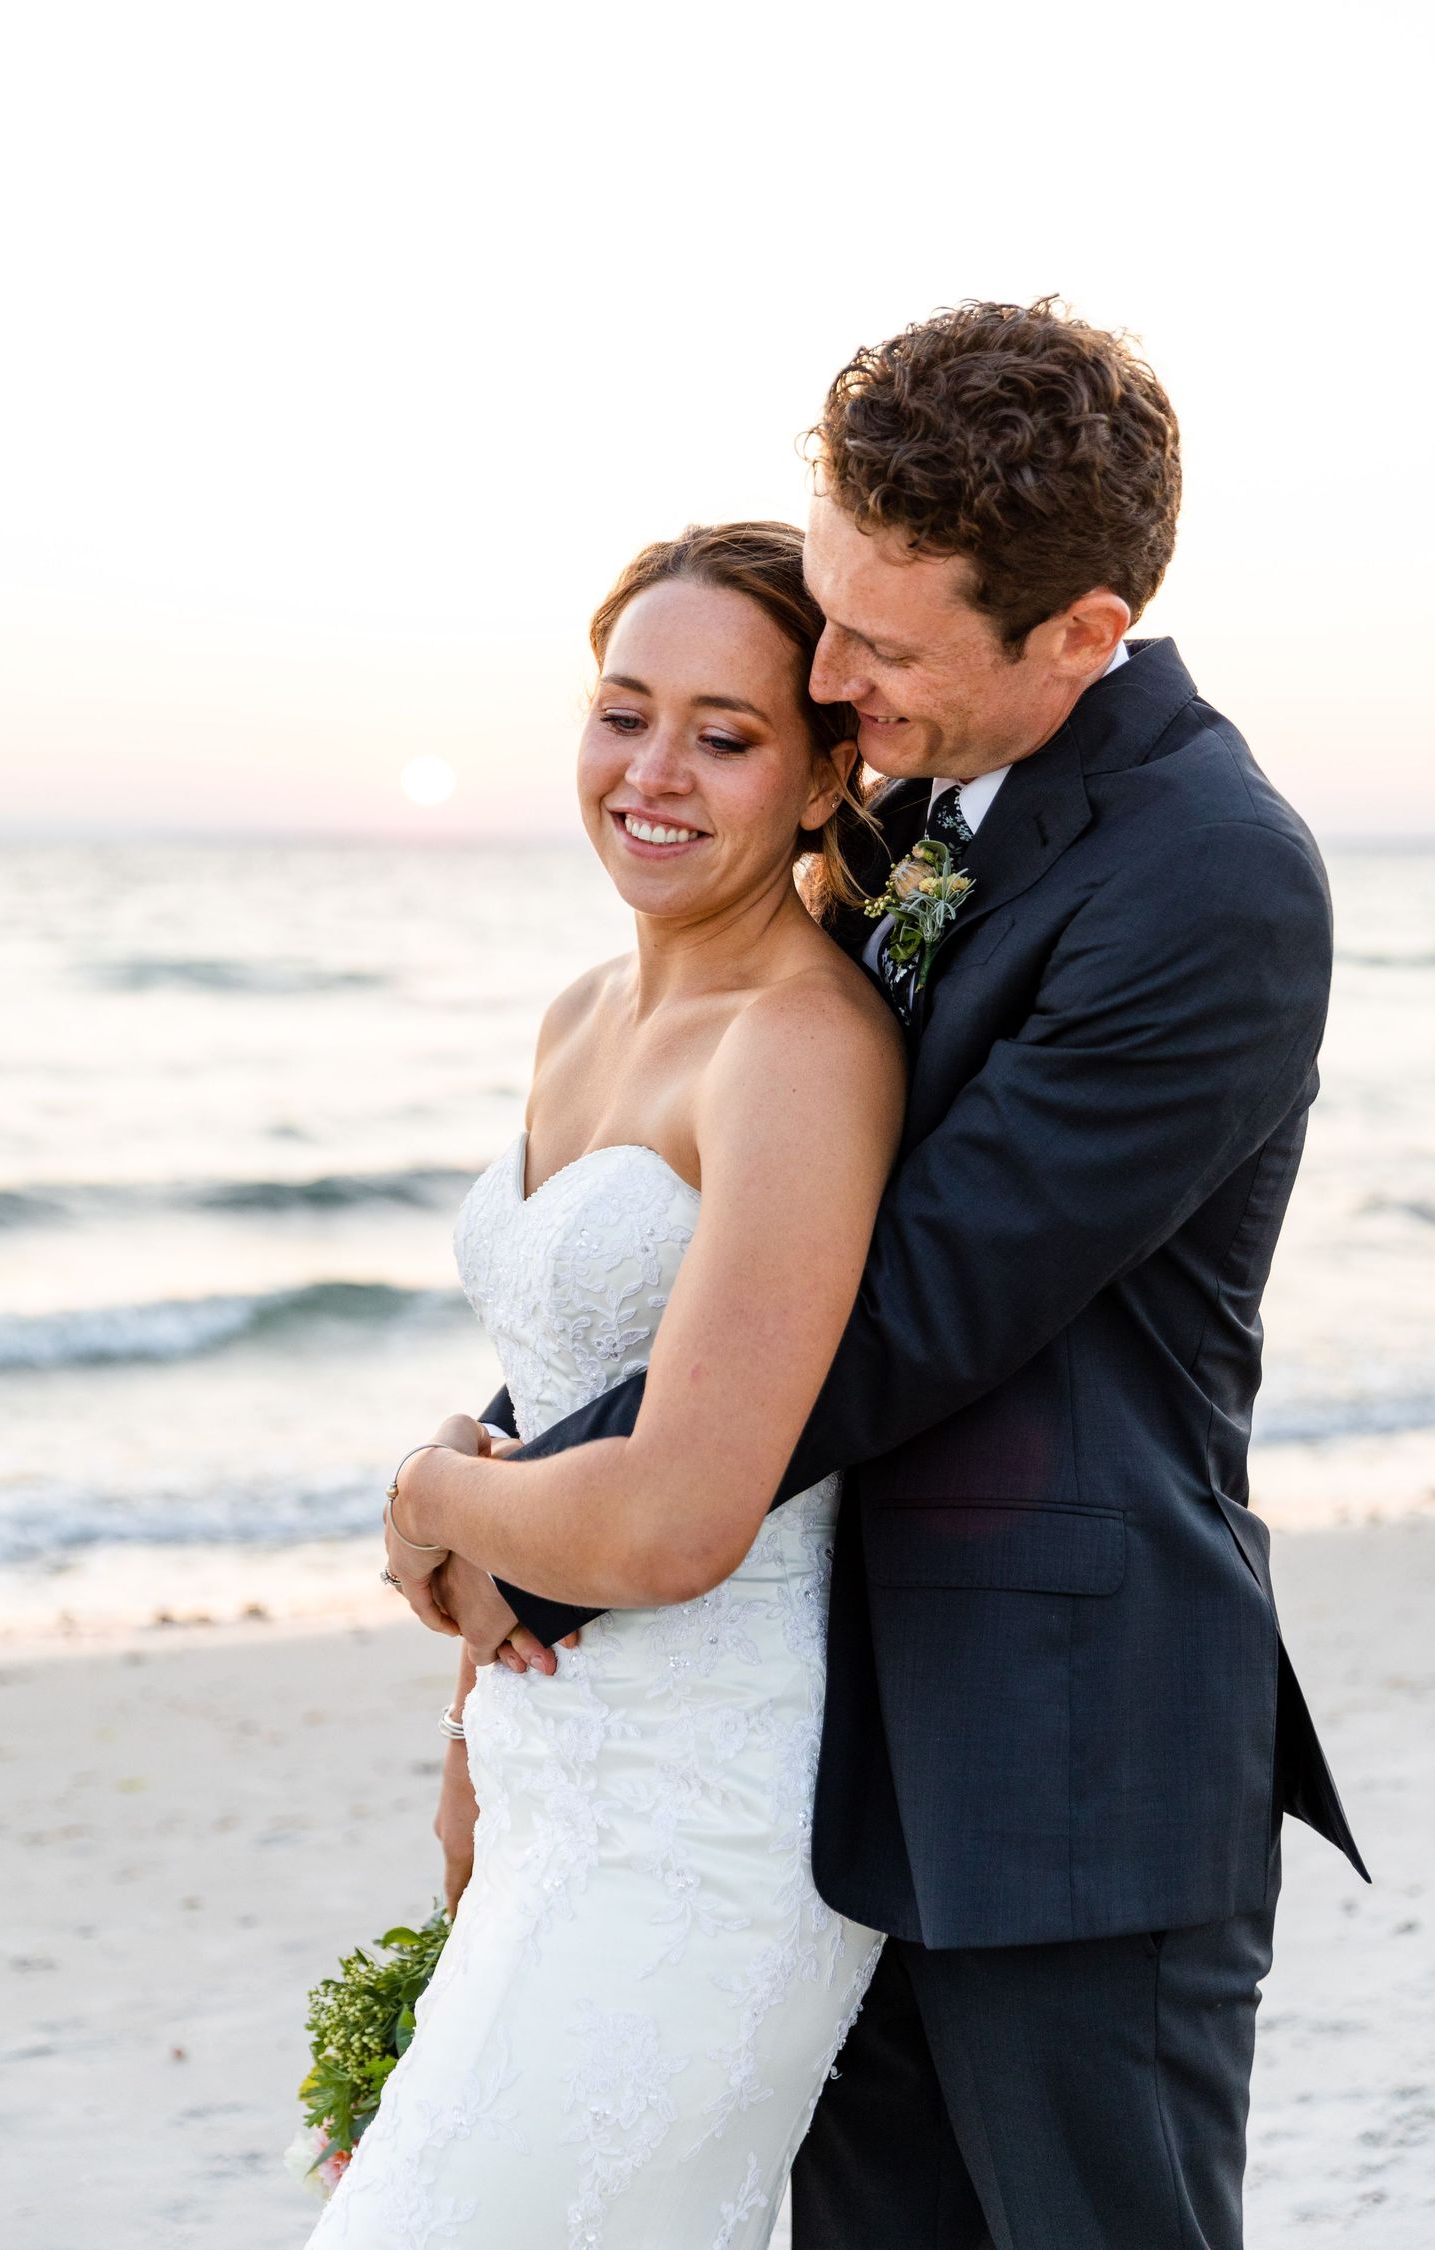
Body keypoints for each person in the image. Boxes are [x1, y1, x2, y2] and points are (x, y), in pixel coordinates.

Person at [425, 301, 1367, 2250]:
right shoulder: (926, 799)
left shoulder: (1210, 877)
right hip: (819, 1764)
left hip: (1066, 1758)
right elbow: (734, 1223)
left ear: (1083, 633)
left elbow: (919, 1297)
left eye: (884, 639)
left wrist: (526, 1512)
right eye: (830, 607)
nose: (832, 673)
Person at [306, 521, 907, 2247]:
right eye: (622, 711)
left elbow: (676, 1512)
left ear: (816, 781)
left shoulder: (801, 1048)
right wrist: (474, 1733)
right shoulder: (579, 1016)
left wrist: (428, 1497)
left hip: (712, 1817)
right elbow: (561, 1377)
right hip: (553, 1761)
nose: (655, 772)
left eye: (724, 735)